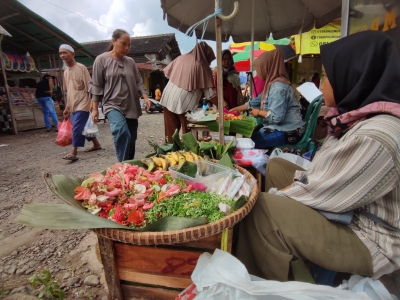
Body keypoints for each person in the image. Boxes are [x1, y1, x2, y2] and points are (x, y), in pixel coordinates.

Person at [236, 31, 400, 282]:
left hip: (369, 235)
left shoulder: (376, 135)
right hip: (351, 207)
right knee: (278, 165)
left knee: (262, 209)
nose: (320, 84)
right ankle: (283, 244)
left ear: (353, 77)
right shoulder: (360, 116)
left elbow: (325, 193)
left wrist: (274, 196)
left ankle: (264, 278)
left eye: (326, 76)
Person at [90, 29, 151, 162]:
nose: (127, 48)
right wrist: (95, 109)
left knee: (132, 137)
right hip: (112, 104)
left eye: (129, 45)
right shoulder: (101, 60)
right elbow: (96, 85)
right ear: (114, 41)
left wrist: (145, 97)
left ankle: (129, 165)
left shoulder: (130, 62)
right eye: (124, 44)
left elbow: (138, 81)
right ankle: (123, 166)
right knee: (122, 131)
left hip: (131, 104)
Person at [230, 49, 304, 149]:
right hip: (279, 128)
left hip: (289, 131)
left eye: (259, 68)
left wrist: (259, 112)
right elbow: (252, 103)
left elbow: (276, 117)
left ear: (266, 67)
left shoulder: (278, 88)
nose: (258, 71)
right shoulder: (271, 86)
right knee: (249, 137)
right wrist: (232, 111)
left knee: (249, 143)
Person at [160, 42, 219, 143]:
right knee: (188, 133)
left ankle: (169, 153)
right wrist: (222, 105)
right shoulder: (203, 66)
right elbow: (210, 94)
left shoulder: (181, 58)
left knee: (170, 134)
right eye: (209, 59)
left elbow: (168, 75)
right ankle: (187, 153)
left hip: (167, 97)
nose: (208, 62)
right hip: (184, 102)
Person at [59, 44, 102, 162]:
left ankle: (73, 152)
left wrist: (93, 106)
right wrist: (67, 107)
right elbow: (68, 91)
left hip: (84, 102)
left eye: (65, 52)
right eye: (60, 53)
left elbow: (90, 87)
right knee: (84, 127)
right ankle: (96, 144)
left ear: (72, 54)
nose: (62, 55)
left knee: (77, 127)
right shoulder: (66, 72)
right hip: (73, 104)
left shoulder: (81, 68)